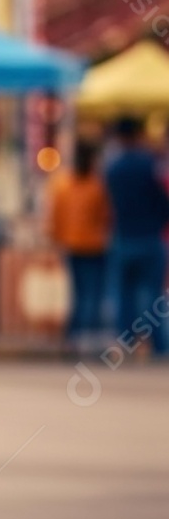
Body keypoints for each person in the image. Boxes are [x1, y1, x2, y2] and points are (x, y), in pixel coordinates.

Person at [104, 117, 169, 356]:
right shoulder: (150, 165)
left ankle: (127, 342)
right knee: (153, 295)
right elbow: (163, 200)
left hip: (123, 236)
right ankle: (158, 345)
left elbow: (108, 203)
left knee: (124, 294)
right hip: (150, 236)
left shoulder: (113, 168)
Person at [47, 141, 110, 347]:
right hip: (94, 244)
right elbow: (105, 216)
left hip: (71, 244)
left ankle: (75, 335)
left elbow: (56, 216)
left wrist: (56, 239)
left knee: (78, 292)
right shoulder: (97, 186)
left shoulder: (63, 185)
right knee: (93, 292)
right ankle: (89, 334)